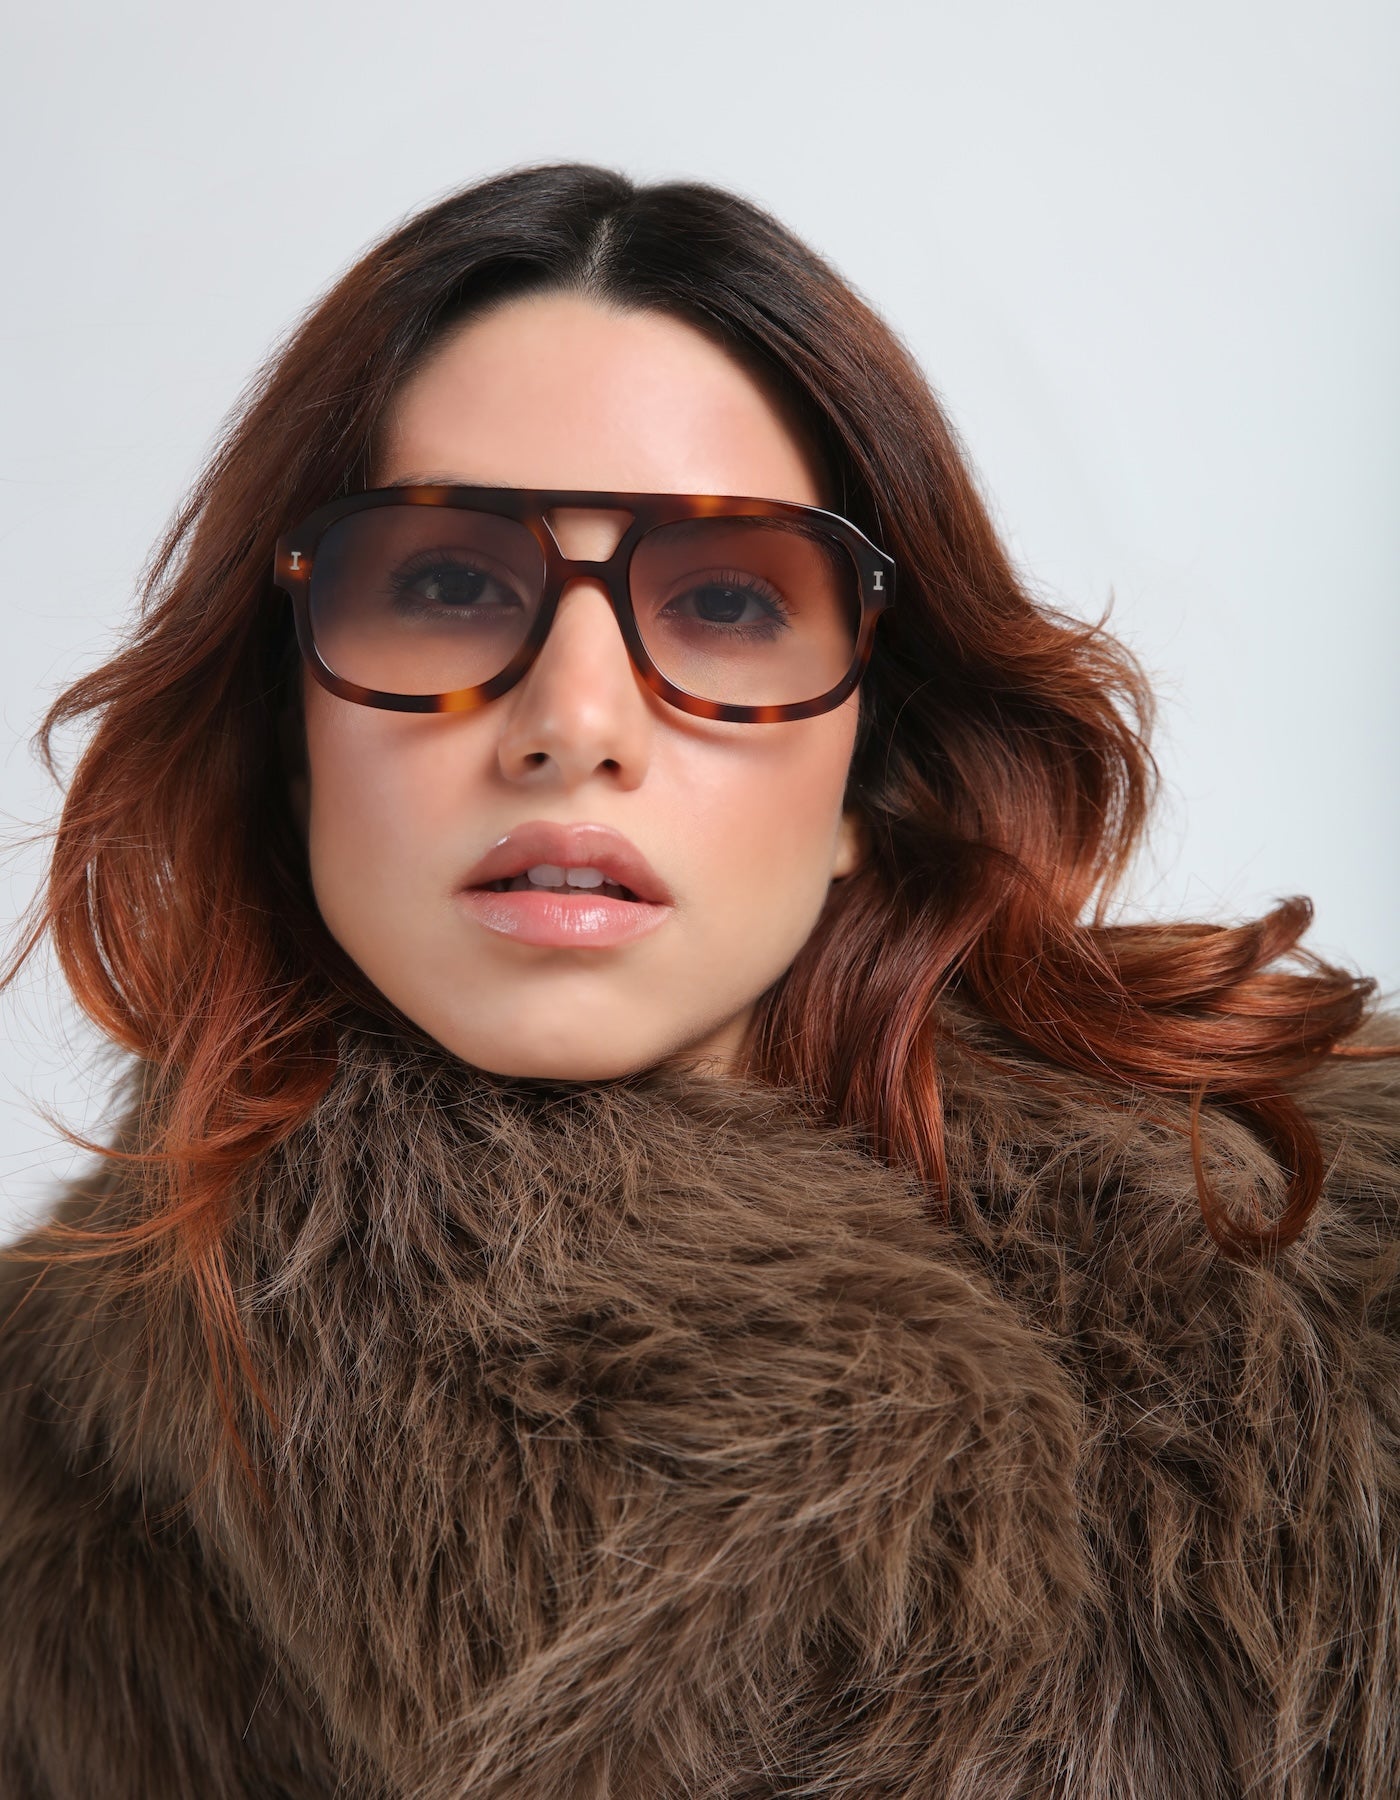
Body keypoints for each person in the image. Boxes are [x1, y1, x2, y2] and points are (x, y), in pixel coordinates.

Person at [1, 163, 1396, 1800]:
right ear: (290, 737)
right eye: (450, 583)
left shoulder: (1336, 1282)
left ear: (875, 770)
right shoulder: (45, 1476)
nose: (572, 720)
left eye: (727, 601)